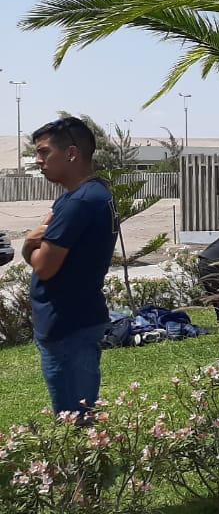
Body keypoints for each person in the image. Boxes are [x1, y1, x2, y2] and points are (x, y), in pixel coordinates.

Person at [23, 117, 118, 418]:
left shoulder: (79, 202)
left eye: (44, 152)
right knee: (79, 415)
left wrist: (28, 243)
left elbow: (44, 266)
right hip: (77, 319)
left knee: (74, 420)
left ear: (72, 153)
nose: (38, 160)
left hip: (67, 326)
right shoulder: (95, 194)